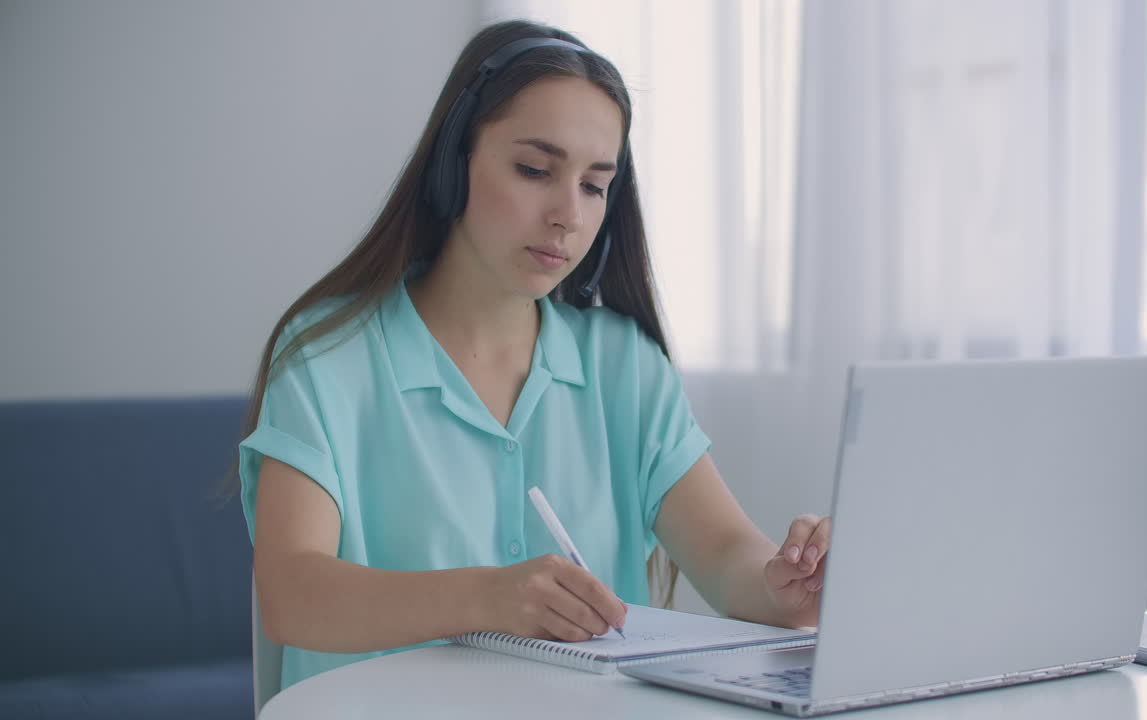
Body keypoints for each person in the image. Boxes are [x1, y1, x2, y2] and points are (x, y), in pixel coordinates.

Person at [235, 19, 831, 690]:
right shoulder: (327, 357)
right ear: (453, 163)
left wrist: (786, 585)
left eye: (594, 186)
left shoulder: (624, 366)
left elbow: (725, 555)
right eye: (534, 170)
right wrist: (487, 597)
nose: (567, 215)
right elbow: (293, 594)